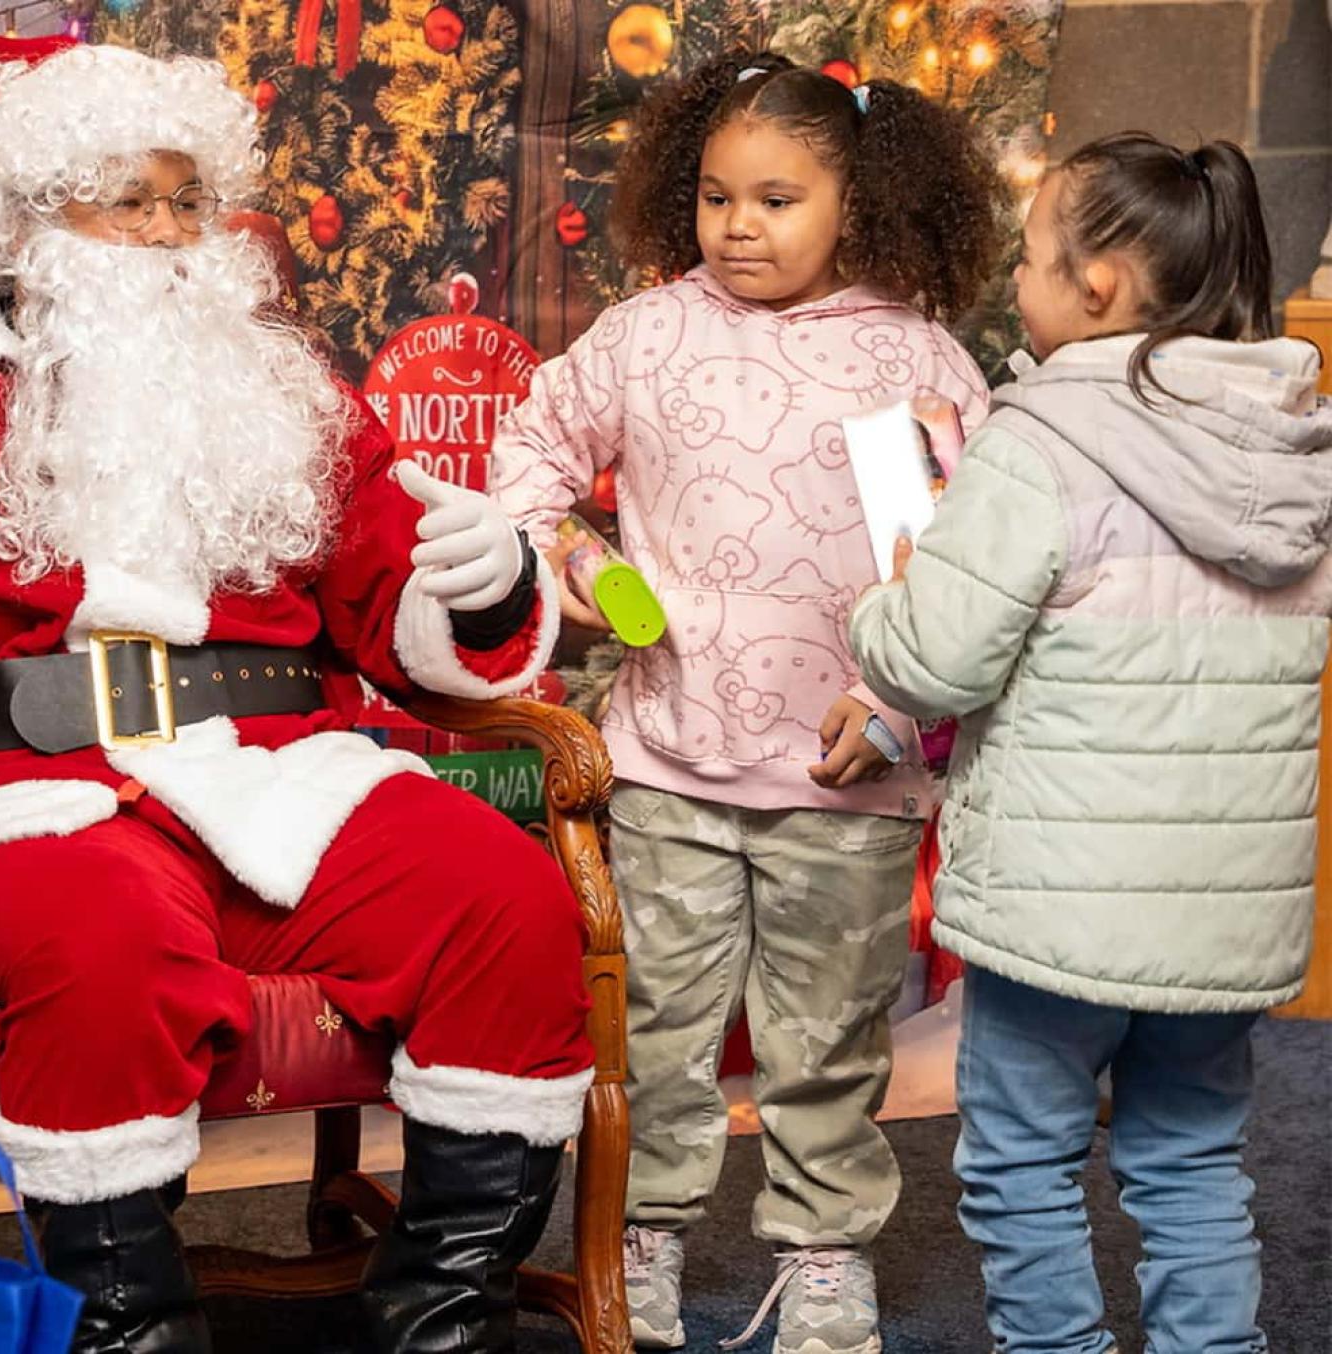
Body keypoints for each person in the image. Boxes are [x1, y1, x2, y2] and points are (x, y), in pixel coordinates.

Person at [0, 43, 594, 1354]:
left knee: (508, 897)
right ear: (33, 217)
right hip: (16, 798)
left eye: (187, 201)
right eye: (127, 201)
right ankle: (127, 1321)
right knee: (103, 937)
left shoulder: (283, 391)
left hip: (279, 777)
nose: (166, 236)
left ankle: (445, 1305)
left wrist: (489, 585)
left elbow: (395, 600)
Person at [487, 52, 1004, 1354]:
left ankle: (826, 1255)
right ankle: (640, 1240)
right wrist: (576, 556)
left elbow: (963, 570)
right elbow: (529, 451)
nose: (738, 224)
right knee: (655, 1025)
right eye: (718, 195)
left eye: (776, 198)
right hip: (667, 763)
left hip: (850, 778)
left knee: (827, 1038)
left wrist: (899, 702)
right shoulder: (651, 332)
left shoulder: (914, 363)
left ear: (862, 199)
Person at [849, 132, 1329, 1354]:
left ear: (1101, 282)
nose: (1014, 280)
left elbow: (932, 661)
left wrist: (890, 593)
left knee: (1019, 1158)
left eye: (1026, 256)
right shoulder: (1288, 448)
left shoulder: (1042, 438)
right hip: (1220, 910)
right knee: (1190, 1162)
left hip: (1056, 913)